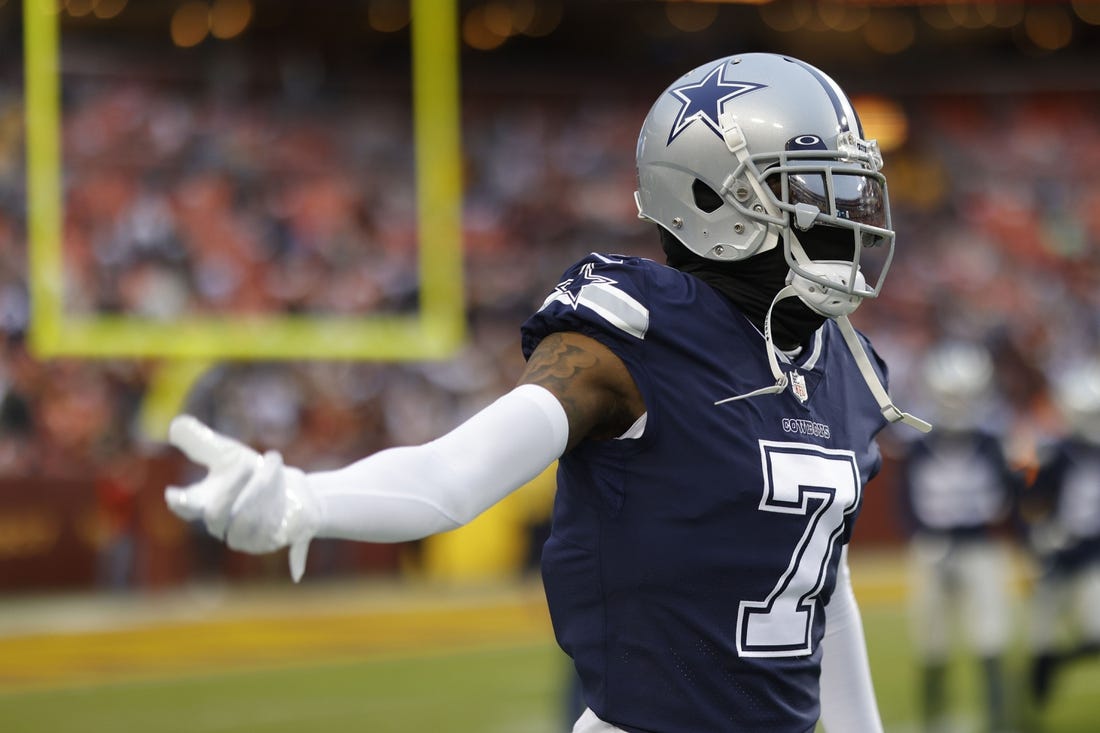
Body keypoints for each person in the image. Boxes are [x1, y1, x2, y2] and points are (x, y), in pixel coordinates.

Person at [163, 53, 929, 733]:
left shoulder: (845, 361)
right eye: (813, 192)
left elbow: (821, 569)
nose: (844, 221)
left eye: (852, 193)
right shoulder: (633, 335)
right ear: (708, 199)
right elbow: (450, 476)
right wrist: (304, 499)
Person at [897, 340, 1020, 733]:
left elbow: (1007, 496)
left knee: (991, 632)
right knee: (930, 635)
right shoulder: (919, 442)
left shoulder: (991, 441)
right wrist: (925, 538)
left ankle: (1001, 716)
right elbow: (906, 501)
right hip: (933, 545)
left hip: (980, 545)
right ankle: (934, 715)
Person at [1024, 358, 1100, 710]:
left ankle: (1056, 666)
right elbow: (1029, 504)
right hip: (1055, 560)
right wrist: (1041, 536)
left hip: (1092, 558)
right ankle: (1031, 707)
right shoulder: (1055, 454)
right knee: (1041, 639)